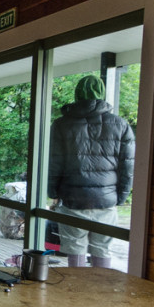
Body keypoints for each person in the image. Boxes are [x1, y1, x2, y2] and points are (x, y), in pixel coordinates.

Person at [48, 75, 135, 268]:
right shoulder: (121, 125)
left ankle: (75, 294)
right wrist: (120, 196)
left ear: (77, 94)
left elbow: (55, 163)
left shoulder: (61, 125)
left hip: (72, 199)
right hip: (106, 200)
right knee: (102, 249)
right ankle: (100, 291)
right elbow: (128, 167)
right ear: (102, 94)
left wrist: (53, 192)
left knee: (74, 249)